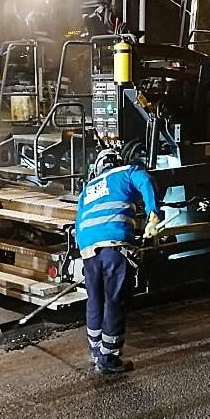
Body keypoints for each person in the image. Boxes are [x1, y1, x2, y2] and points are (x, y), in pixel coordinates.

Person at [74, 149, 160, 375]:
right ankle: (109, 358)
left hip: (88, 249)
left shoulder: (88, 189)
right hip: (114, 246)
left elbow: (78, 220)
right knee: (114, 300)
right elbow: (146, 180)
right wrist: (153, 214)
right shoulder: (125, 172)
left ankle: (96, 351)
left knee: (95, 298)